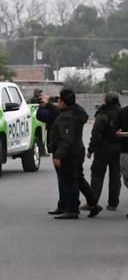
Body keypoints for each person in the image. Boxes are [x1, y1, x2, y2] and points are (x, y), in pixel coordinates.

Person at [51, 89, 99, 219]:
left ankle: (72, 210)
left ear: (63, 102)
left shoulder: (67, 117)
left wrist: (58, 155)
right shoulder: (76, 112)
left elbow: (66, 139)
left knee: (71, 181)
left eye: (59, 100)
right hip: (77, 150)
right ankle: (93, 203)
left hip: (70, 153)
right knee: (79, 179)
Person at [88, 92, 121, 211]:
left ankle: (93, 201)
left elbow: (96, 134)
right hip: (119, 148)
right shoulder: (122, 113)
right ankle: (113, 203)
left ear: (106, 101)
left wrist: (91, 150)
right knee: (116, 175)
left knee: (97, 174)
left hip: (103, 149)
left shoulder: (102, 115)